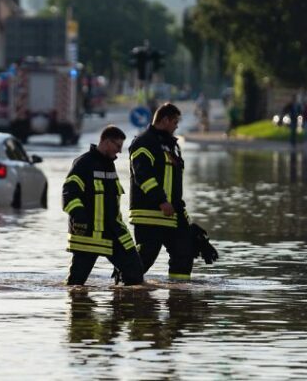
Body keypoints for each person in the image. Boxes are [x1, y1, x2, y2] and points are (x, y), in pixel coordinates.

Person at [129, 103, 217, 281]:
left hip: (172, 215)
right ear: (164, 120)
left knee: (184, 253)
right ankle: (124, 289)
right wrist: (161, 201)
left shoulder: (172, 146)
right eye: (175, 121)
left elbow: (175, 188)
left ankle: (179, 297)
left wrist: (185, 218)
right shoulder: (144, 142)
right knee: (145, 257)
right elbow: (143, 177)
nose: (177, 125)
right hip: (149, 214)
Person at [62, 125, 144, 286]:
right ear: (106, 142)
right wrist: (79, 216)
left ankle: (123, 307)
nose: (119, 151)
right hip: (89, 234)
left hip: (113, 232)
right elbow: (69, 192)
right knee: (76, 284)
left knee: (135, 274)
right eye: (117, 146)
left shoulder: (109, 165)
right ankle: (79, 309)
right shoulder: (83, 163)